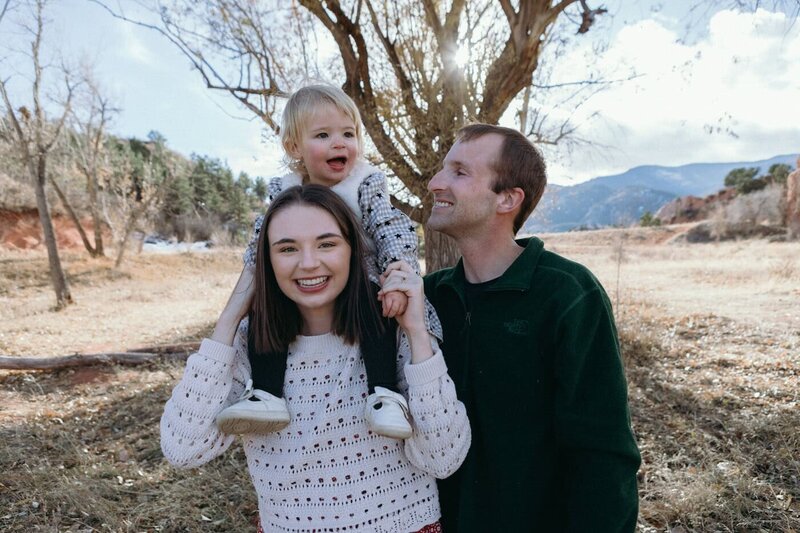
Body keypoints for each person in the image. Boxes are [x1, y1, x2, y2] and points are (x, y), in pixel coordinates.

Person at [160, 185, 470, 532]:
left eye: (327, 244)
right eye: (287, 248)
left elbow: (443, 458)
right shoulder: (253, 346)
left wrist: (416, 333)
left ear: (353, 250)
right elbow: (184, 449)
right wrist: (233, 314)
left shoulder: (391, 333)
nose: (308, 263)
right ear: (266, 261)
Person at [408, 123, 642, 531]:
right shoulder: (426, 299)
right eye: (443, 169)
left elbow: (602, 454)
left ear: (508, 199)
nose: (434, 182)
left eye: (459, 173)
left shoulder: (568, 294)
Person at [215, 84, 442, 439]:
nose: (340, 143)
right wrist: (250, 285)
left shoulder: (363, 185)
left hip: (361, 283)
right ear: (294, 147)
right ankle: (267, 393)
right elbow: (261, 240)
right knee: (265, 309)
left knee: (375, 306)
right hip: (306, 289)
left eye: (348, 134)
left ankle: (385, 395)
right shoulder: (285, 191)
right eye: (323, 135)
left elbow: (392, 228)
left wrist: (398, 274)